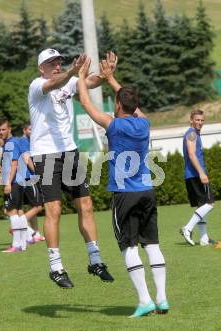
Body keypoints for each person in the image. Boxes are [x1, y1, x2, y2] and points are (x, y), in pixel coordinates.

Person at [78, 56, 168, 317]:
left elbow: (85, 103)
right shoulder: (144, 123)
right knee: (152, 245)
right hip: (147, 190)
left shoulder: (113, 124)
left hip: (125, 195)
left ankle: (144, 301)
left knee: (128, 247)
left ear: (117, 105)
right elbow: (134, 105)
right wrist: (112, 80)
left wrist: (81, 77)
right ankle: (161, 299)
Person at [28, 48, 115, 288]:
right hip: (45, 154)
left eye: (58, 62)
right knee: (53, 209)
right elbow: (57, 82)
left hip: (70, 151)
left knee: (85, 204)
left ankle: (95, 260)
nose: (56, 65)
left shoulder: (69, 80)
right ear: (41, 68)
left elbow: (88, 82)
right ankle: (56, 267)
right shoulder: (37, 85)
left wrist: (105, 76)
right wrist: (72, 71)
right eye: (51, 63)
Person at [180, 109, 217, 246]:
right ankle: (188, 228)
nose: (200, 122)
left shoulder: (194, 134)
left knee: (202, 205)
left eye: (202, 120)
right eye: (197, 120)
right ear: (191, 120)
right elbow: (191, 154)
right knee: (209, 204)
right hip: (196, 175)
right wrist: (202, 173)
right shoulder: (192, 134)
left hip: (193, 175)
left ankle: (204, 238)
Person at [0, 117, 28, 252]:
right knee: (19, 211)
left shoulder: (11, 143)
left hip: (15, 181)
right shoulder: (9, 143)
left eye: (4, 129)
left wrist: (8, 182)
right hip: (18, 181)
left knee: (11, 211)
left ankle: (16, 245)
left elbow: (14, 163)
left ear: (9, 129)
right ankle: (23, 244)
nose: (1, 132)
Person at [16, 122, 45, 243]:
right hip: (28, 177)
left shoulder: (30, 141)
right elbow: (27, 159)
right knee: (38, 206)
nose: (32, 131)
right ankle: (19, 225)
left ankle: (34, 234)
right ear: (24, 130)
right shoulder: (23, 141)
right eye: (29, 129)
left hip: (22, 178)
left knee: (29, 206)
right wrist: (38, 173)